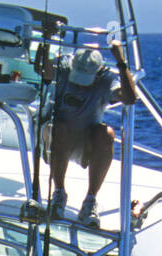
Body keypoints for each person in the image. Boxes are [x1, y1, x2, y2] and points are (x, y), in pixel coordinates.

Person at [42, 44, 138, 229]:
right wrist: (46, 45)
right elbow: (44, 73)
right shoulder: (62, 68)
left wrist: (121, 62)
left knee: (106, 134)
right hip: (54, 137)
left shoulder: (106, 80)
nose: (80, 84)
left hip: (84, 141)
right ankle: (59, 194)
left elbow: (130, 98)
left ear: (99, 72)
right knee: (59, 129)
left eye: (86, 80)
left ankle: (90, 201)